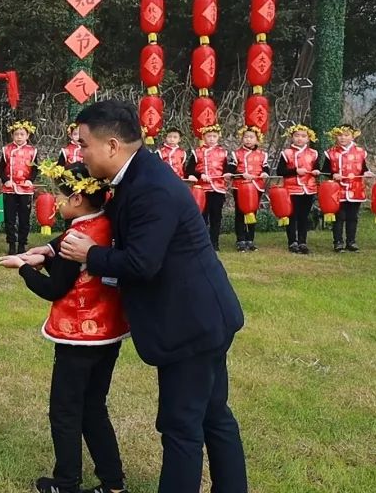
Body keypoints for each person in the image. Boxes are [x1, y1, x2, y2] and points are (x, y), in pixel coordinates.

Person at [38, 99, 245, 493]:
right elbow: (100, 226)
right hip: (204, 314)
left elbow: (141, 262)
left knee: (182, 424)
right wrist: (52, 249)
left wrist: (90, 255)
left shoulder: (151, 188)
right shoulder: (133, 178)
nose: (79, 153)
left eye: (84, 145)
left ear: (112, 146)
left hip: (190, 323)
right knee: (213, 414)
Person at [0, 162, 129, 493]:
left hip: (78, 339)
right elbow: (67, 249)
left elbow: (53, 289)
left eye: (59, 197)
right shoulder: (107, 222)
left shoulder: (76, 238)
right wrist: (47, 251)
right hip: (107, 333)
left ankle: (65, 483)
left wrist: (22, 268)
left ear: (76, 198)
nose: (55, 203)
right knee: (94, 407)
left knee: (65, 412)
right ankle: (113, 484)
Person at [321, 124, 374, 252]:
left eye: (346, 135)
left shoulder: (360, 152)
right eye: (340, 135)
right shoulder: (331, 153)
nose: (343, 138)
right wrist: (333, 174)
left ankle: (351, 241)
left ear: (352, 136)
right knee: (339, 217)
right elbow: (325, 171)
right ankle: (338, 242)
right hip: (337, 190)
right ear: (335, 136)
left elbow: (363, 168)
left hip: (355, 189)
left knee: (353, 217)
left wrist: (367, 172)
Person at [275, 124, 320, 254]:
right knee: (291, 215)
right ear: (292, 137)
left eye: (303, 136)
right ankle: (292, 242)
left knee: (304, 216)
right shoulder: (286, 153)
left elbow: (317, 168)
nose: (300, 138)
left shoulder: (313, 153)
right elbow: (280, 171)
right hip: (291, 189)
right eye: (297, 136)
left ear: (308, 139)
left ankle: (302, 242)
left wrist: (316, 171)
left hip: (308, 189)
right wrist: (295, 171)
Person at [185, 125, 231, 251]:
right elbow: (188, 170)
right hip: (201, 190)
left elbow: (227, 169)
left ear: (218, 138)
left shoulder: (223, 152)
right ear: (203, 137)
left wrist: (227, 174)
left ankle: (214, 244)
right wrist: (200, 175)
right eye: (209, 136)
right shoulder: (197, 152)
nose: (211, 139)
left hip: (218, 189)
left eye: (214, 136)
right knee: (201, 217)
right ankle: (202, 243)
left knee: (216, 217)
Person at [0, 120, 39, 256]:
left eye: (22, 134)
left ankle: (22, 244)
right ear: (12, 136)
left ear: (28, 135)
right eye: (16, 134)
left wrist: (30, 180)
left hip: (25, 190)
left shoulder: (32, 151)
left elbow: (35, 169)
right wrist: (5, 181)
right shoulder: (6, 150)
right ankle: (11, 244)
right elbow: (0, 169)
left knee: (24, 218)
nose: (19, 137)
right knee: (9, 218)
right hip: (10, 189)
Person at [227, 126, 270, 252]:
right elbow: (231, 169)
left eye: (251, 137)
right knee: (240, 213)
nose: (248, 140)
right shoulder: (236, 154)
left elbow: (265, 168)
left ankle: (250, 239)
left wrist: (264, 173)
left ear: (257, 140)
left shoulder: (263, 155)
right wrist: (241, 174)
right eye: (246, 137)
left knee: (252, 213)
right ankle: (240, 240)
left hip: (256, 186)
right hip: (240, 187)